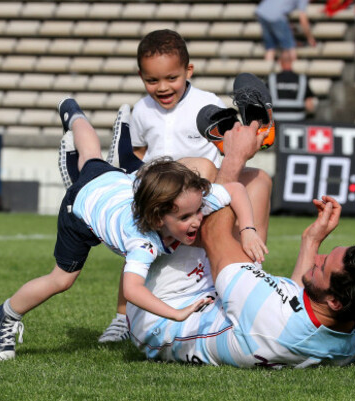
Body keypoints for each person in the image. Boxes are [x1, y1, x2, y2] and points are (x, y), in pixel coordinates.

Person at [0, 97, 267, 361]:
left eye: (197, 210)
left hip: (117, 183)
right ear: (158, 220)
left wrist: (248, 229)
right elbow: (132, 290)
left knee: (91, 157)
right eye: (186, 218)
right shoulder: (141, 241)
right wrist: (176, 314)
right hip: (81, 208)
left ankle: (74, 115)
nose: (197, 220)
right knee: (62, 280)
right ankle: (3, 315)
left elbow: (234, 190)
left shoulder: (186, 202)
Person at [97, 29, 274, 343]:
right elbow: (140, 153)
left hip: (197, 193)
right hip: (162, 197)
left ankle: (254, 268)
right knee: (136, 246)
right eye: (152, 81)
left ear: (188, 71)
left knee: (256, 178)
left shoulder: (207, 103)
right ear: (141, 77)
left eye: (171, 78)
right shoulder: (142, 111)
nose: (162, 87)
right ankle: (122, 317)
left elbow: (223, 151)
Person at [127, 193, 355, 367]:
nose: (318, 257)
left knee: (203, 174)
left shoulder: (269, 316)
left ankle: (126, 189)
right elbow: (296, 305)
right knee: (258, 182)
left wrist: (234, 155)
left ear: (334, 300)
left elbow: (214, 228)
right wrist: (311, 240)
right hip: (221, 306)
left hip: (160, 319)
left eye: (321, 266)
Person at [268, 52, 317, 122]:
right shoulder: (302, 79)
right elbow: (309, 105)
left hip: (276, 122)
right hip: (297, 122)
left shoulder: (271, 79)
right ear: (292, 61)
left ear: (280, 62)